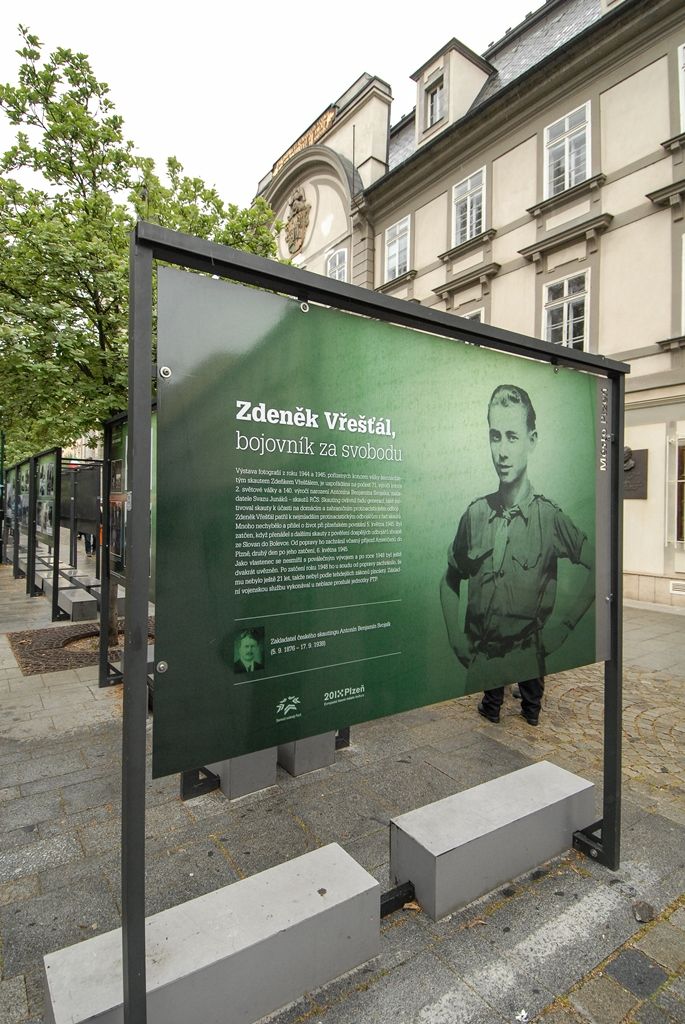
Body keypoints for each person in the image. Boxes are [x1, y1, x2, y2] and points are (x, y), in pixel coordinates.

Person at [440, 384, 594, 726]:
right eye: (495, 437)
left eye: (512, 437)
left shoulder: (548, 518)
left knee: (531, 715)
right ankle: (491, 704)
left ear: (532, 440)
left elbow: (600, 565)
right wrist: (455, 638)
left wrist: (565, 626)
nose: (502, 452)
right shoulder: (476, 515)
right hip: (483, 657)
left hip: (528, 653)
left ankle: (529, 710)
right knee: (487, 717)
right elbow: (449, 579)